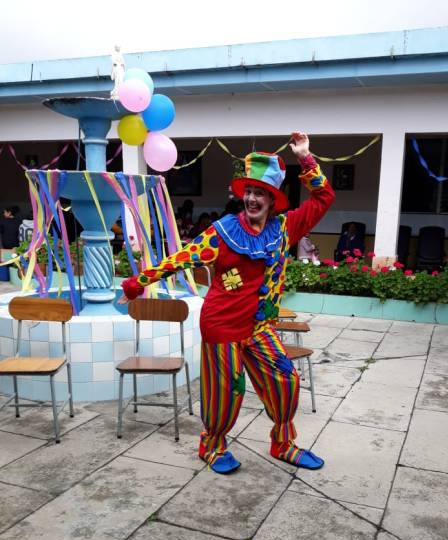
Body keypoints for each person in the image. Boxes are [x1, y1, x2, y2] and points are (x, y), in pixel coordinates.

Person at [120, 131, 335, 474]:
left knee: (286, 379)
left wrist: (305, 158)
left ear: (272, 199)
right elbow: (181, 259)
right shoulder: (223, 232)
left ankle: (283, 443)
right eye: (248, 191)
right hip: (221, 326)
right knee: (227, 392)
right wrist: (136, 284)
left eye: (259, 193)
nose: (251, 198)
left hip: (260, 327)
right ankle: (212, 444)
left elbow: (324, 197)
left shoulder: (285, 228)